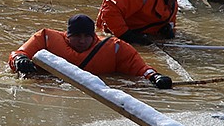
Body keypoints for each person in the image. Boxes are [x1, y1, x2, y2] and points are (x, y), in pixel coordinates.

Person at [10, 14, 173, 89]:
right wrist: (20, 61)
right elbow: (18, 54)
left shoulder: (115, 48)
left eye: (86, 36)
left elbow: (141, 69)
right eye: (76, 36)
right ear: (67, 35)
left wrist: (155, 77)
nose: (82, 41)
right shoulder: (45, 39)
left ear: (93, 36)